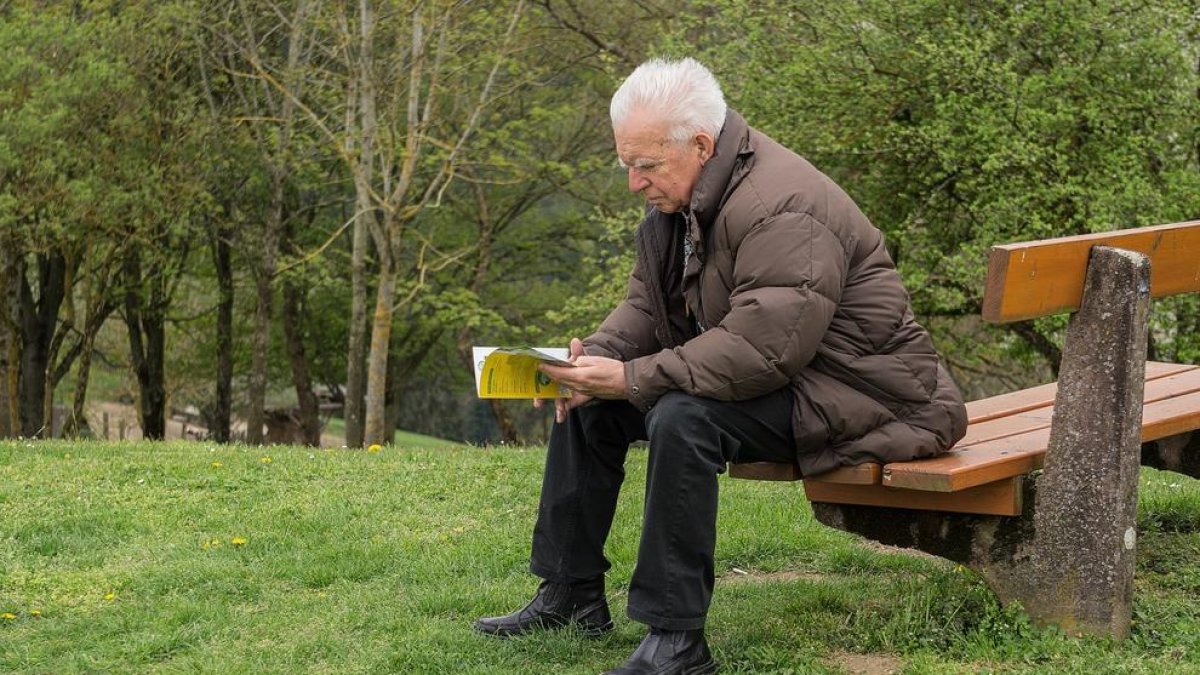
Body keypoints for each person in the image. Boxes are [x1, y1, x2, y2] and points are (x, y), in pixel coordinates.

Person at [473, 57, 968, 675]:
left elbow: (765, 350)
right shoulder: (684, 201)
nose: (634, 183)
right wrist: (595, 360)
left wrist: (631, 379)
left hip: (863, 393)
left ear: (701, 145)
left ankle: (676, 640)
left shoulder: (783, 206)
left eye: (645, 166)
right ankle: (570, 593)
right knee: (591, 402)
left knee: (683, 417)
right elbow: (646, 309)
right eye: (626, 164)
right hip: (795, 378)